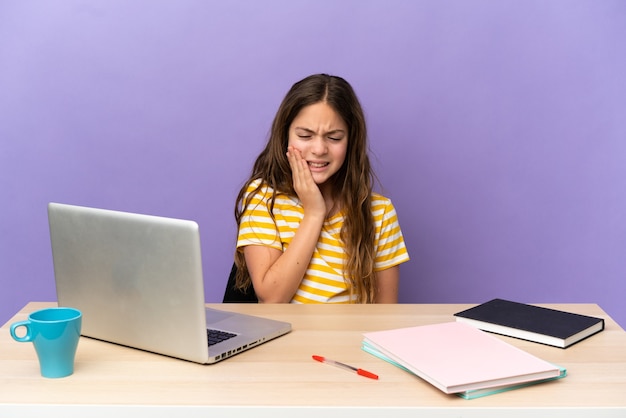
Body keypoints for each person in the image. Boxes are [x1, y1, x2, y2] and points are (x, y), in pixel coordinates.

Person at [233, 74, 409, 303]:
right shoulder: (262, 199)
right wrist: (314, 212)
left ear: (351, 141)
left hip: (349, 338)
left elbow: (385, 317)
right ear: (285, 135)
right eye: (305, 136)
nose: (318, 149)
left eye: (334, 138)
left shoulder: (380, 213)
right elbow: (272, 298)